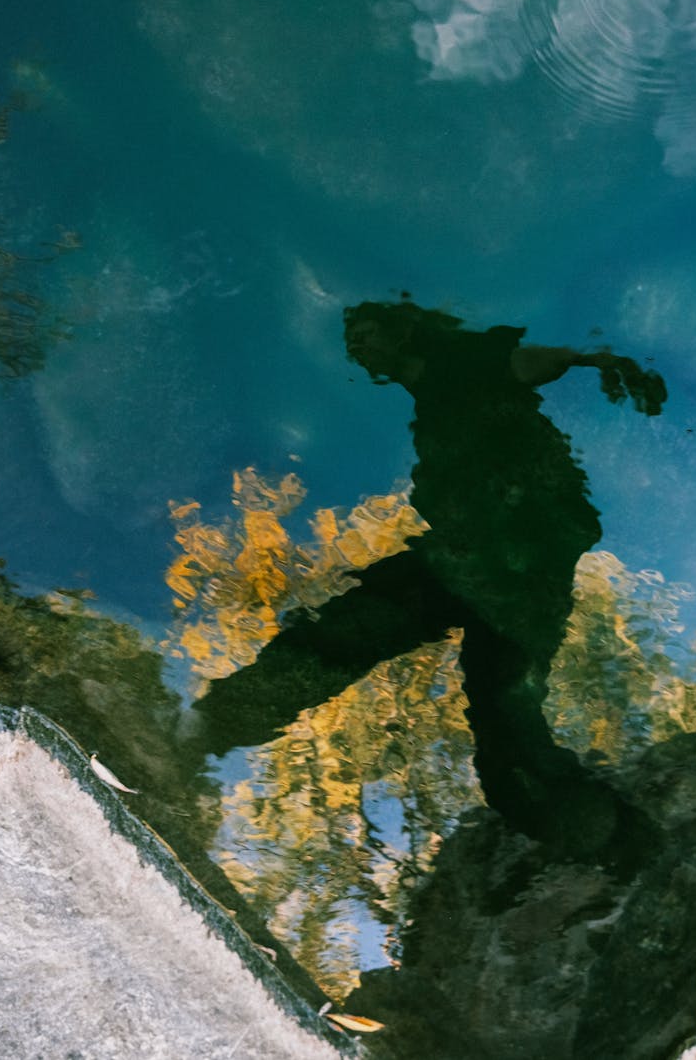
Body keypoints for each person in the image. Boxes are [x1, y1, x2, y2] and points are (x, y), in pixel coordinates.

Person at [195, 299, 666, 860]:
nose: (359, 348)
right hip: (464, 558)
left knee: (504, 735)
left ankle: (623, 849)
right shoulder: (434, 399)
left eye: (368, 335)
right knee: (344, 634)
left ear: (402, 332)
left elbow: (536, 361)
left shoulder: (468, 362)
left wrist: (609, 363)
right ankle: (208, 727)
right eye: (355, 343)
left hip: (515, 569)